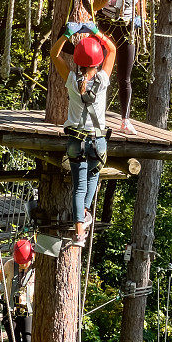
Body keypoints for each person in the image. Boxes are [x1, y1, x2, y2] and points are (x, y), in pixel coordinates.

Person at [51, 23, 117, 247]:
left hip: (76, 140)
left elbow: (54, 54)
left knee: (79, 187)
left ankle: (79, 233)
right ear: (98, 62)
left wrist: (67, 35)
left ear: (77, 62)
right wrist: (95, 32)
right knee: (92, 179)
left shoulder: (71, 80)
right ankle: (84, 216)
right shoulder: (103, 81)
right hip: (98, 141)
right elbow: (113, 49)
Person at [94, 0, 147, 135]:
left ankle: (125, 119)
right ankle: (96, 112)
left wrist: (140, 20)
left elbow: (141, 10)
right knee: (99, 71)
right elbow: (96, 6)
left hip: (126, 30)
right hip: (107, 26)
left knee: (124, 77)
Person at [0, 239, 35, 342]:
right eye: (20, 263)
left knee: (28, 341)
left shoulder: (36, 268)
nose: (22, 265)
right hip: (11, 309)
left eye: (24, 263)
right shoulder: (10, 264)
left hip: (27, 310)